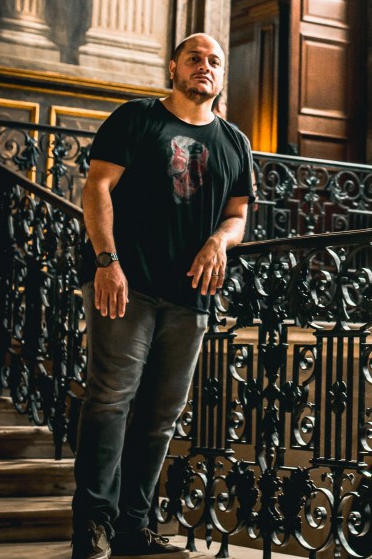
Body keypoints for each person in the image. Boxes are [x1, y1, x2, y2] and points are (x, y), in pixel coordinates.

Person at [71, 33, 254, 559]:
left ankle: (134, 527)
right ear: (173, 67)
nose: (205, 67)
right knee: (109, 402)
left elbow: (238, 215)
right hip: (126, 285)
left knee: (160, 417)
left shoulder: (234, 142)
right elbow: (97, 186)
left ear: (222, 75)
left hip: (191, 295)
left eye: (215, 61)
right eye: (194, 58)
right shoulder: (137, 117)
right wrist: (107, 262)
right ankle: (93, 527)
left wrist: (220, 239)